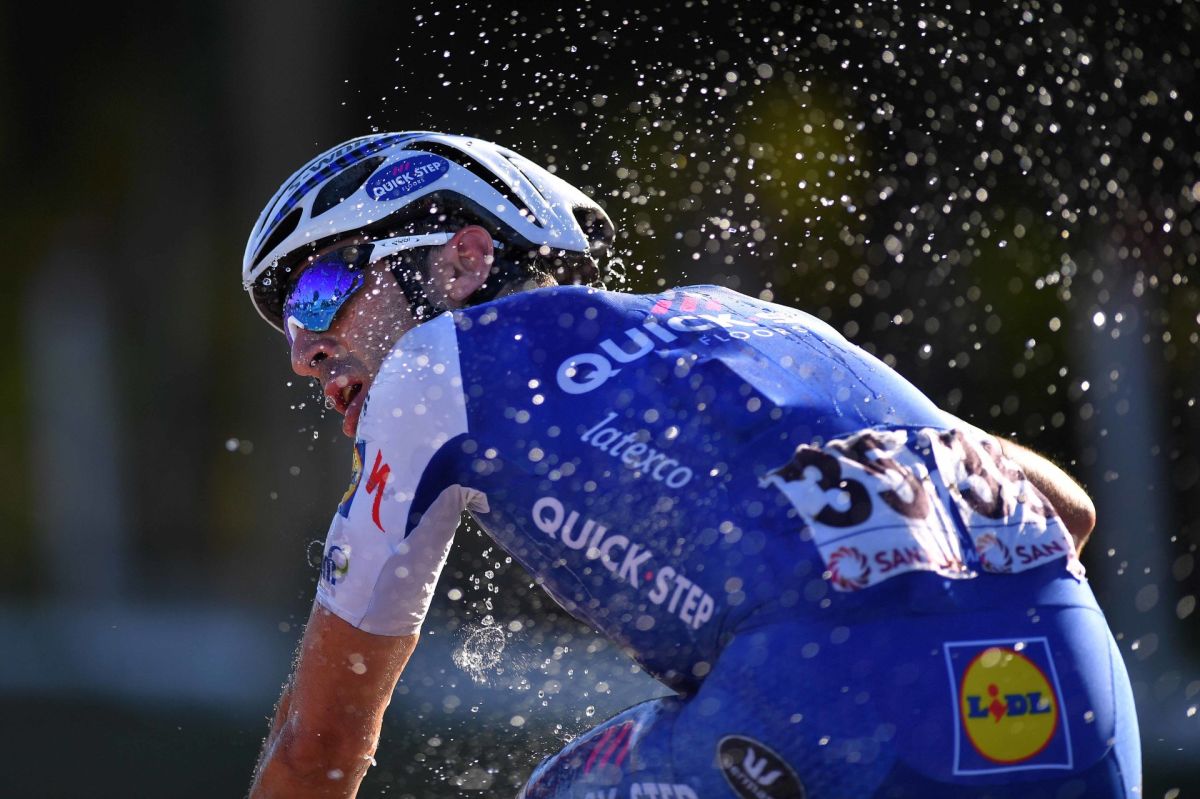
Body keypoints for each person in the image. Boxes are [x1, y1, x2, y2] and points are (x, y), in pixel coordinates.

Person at [241, 132, 1140, 799]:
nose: (304, 353)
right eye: (289, 327)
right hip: (1072, 704)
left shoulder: (432, 367)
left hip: (835, 712)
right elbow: (1065, 510)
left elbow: (316, 749)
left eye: (321, 291)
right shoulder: (749, 318)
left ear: (462, 261)